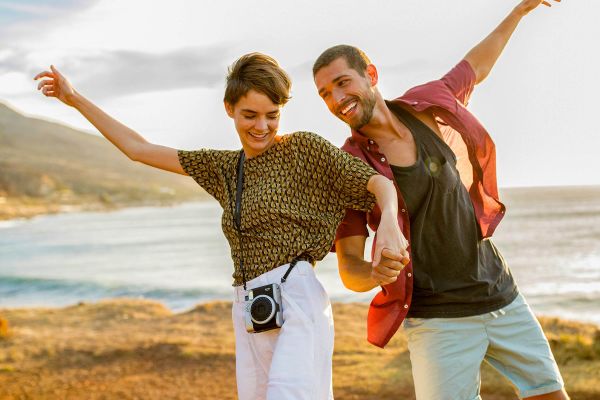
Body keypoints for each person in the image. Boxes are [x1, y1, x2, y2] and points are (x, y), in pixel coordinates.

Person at [34, 52, 409, 400]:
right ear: (229, 109)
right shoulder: (224, 168)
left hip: (297, 302)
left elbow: (378, 184)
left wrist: (389, 224)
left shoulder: (304, 150)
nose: (262, 126)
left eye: (272, 114)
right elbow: (138, 148)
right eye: (250, 115)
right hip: (248, 308)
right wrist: (75, 99)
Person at [312, 0, 569, 399]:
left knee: (550, 394)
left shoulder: (427, 105)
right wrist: (376, 273)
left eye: (343, 83)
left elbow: (474, 68)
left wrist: (519, 11)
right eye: (325, 93)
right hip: (437, 320)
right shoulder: (346, 166)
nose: (336, 99)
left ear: (371, 75)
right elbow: (349, 267)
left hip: (501, 294)